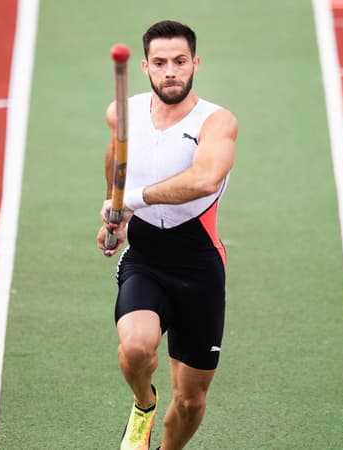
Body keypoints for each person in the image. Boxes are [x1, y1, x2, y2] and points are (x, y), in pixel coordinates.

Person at [96, 20, 239, 450]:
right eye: (160, 63)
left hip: (200, 269)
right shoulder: (124, 113)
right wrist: (114, 217)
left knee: (191, 401)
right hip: (146, 259)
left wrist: (132, 199)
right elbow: (115, 156)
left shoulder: (217, 121)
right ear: (145, 67)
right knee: (137, 349)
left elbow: (205, 178)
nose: (171, 71)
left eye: (180, 61)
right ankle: (143, 404)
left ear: (195, 63)